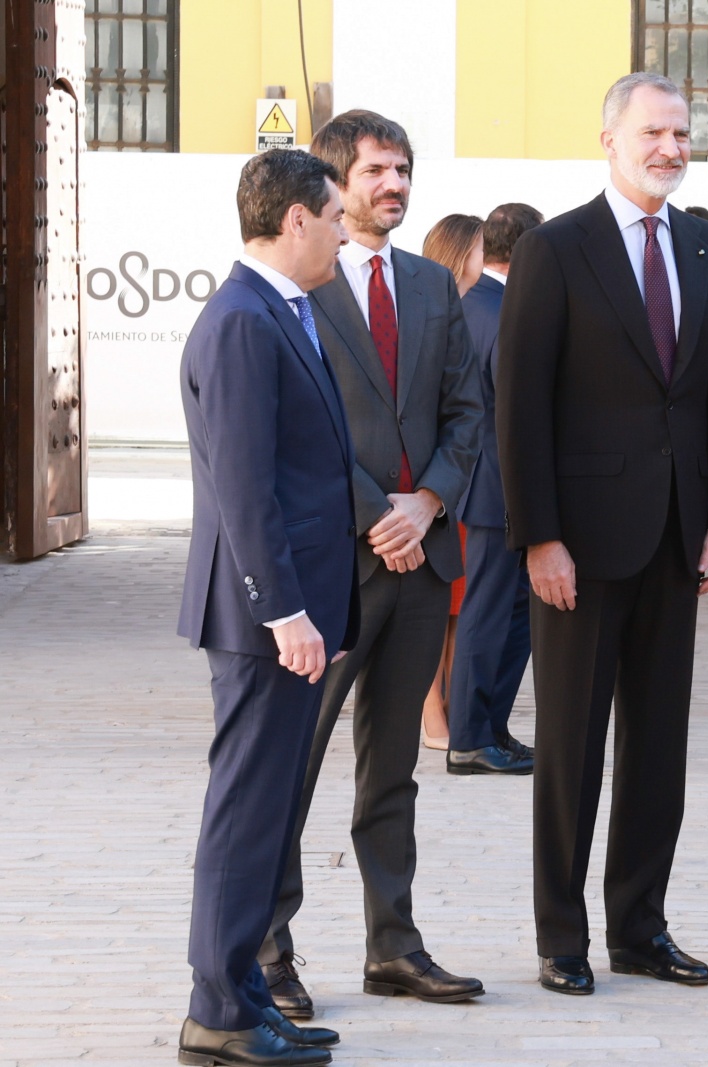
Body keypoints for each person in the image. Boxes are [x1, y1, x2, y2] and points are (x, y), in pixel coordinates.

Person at [497, 72, 708, 996]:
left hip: (679, 538)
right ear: (609, 139)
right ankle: (562, 935)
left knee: (658, 748)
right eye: (653, 133)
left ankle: (640, 926)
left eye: (682, 134)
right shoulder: (555, 250)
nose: (670, 149)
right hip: (580, 545)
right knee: (570, 746)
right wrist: (539, 536)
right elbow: (518, 404)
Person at [262, 110, 487, 1018]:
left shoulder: (435, 287)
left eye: (403, 169)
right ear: (332, 184)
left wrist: (426, 503)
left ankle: (392, 944)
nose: (394, 185)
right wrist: (375, 516)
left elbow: (469, 411)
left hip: (423, 562)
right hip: (336, 570)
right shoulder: (300, 286)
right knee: (294, 766)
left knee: (392, 768)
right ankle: (268, 951)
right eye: (376, 171)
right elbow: (294, 430)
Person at [175, 148, 355, 1066]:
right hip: (264, 624)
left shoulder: (279, 308)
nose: (342, 231)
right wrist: (284, 611)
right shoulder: (246, 320)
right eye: (333, 217)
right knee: (246, 814)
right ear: (294, 220)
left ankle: (245, 993)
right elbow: (245, 488)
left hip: (288, 617)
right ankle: (218, 1010)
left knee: (265, 811)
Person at [447, 202, 545, 772]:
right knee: (491, 613)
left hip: (486, 485)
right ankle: (471, 737)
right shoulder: (505, 311)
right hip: (497, 488)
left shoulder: (475, 303)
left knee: (504, 613)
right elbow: (516, 413)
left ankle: (488, 731)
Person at [417, 212, 485, 753]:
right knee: (439, 609)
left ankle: (447, 705)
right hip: (442, 481)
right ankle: (429, 711)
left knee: (458, 606)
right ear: (465, 253)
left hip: (466, 477)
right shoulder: (441, 310)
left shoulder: (462, 306)